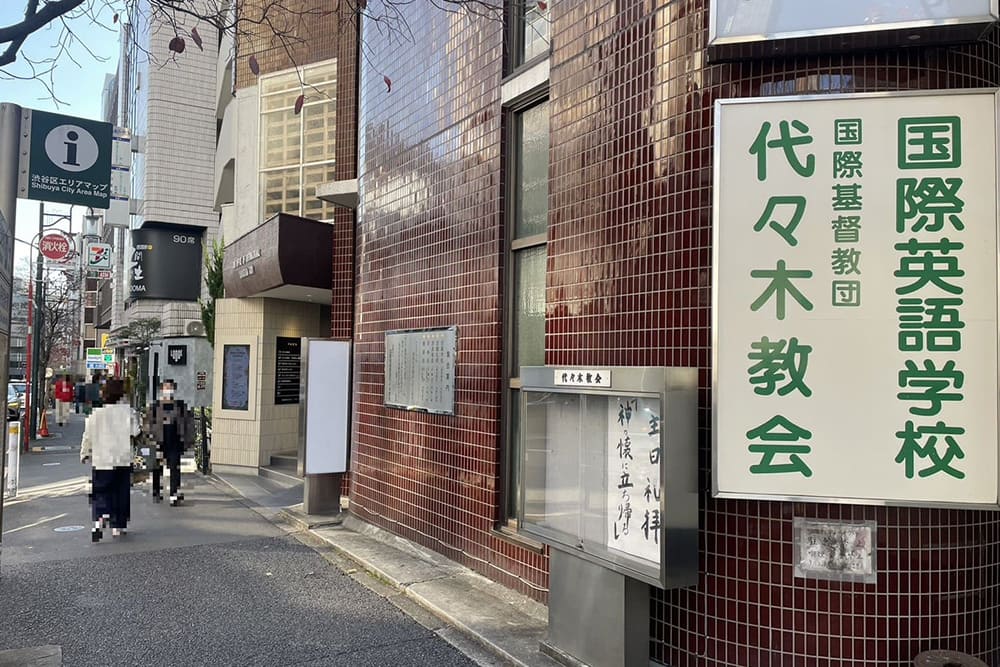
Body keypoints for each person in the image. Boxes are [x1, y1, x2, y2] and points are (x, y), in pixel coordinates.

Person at [80, 379, 139, 541]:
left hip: (102, 459)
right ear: (121, 394)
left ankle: (100, 517)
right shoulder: (128, 412)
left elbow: (88, 436)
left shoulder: (96, 414)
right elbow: (136, 432)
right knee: (121, 492)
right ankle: (118, 526)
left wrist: (84, 453)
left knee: (101, 490)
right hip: (122, 458)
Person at [144, 379, 194, 506]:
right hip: (158, 441)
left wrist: (188, 441)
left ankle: (174, 493)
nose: (168, 390)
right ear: (161, 390)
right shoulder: (155, 407)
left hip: (175, 441)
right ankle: (156, 491)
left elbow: (189, 424)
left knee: (175, 468)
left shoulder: (180, 406)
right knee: (157, 468)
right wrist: (150, 436)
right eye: (166, 387)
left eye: (170, 387)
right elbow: (147, 423)